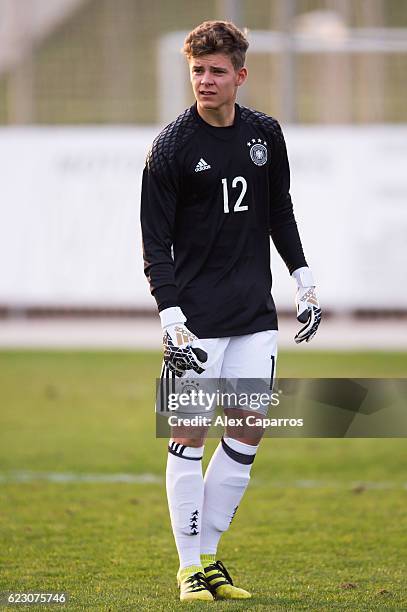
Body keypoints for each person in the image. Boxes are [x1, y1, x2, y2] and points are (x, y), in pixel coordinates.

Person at [140, 20, 321, 602]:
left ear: (241, 76)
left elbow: (280, 211)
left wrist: (304, 281)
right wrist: (172, 320)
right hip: (195, 324)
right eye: (197, 70)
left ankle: (212, 560)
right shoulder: (171, 146)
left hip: (253, 319)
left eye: (217, 70)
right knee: (188, 437)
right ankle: (189, 565)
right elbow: (154, 245)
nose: (205, 80)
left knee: (246, 435)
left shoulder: (265, 134)